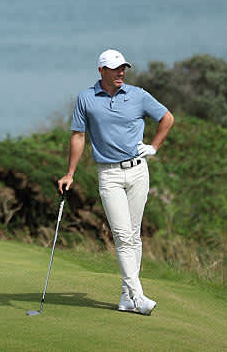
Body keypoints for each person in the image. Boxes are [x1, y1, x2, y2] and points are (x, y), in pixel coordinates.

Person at [57, 49, 174, 316]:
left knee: (133, 236)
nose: (121, 72)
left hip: (138, 171)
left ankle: (125, 296)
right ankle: (137, 295)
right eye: (115, 68)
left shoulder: (138, 95)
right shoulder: (86, 98)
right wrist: (70, 173)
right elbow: (78, 136)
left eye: (123, 68)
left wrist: (154, 147)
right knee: (122, 235)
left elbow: (167, 118)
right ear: (101, 71)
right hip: (108, 174)